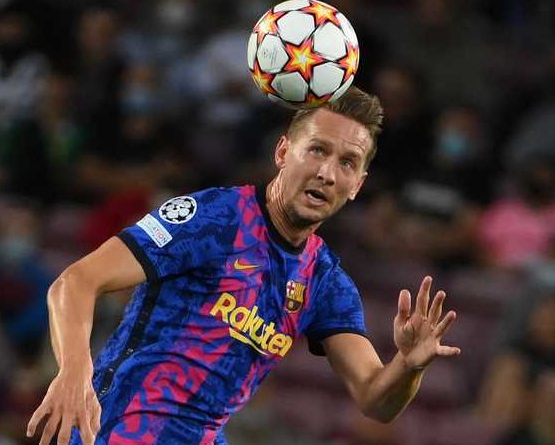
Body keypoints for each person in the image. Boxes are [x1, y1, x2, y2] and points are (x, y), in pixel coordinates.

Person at [26, 87, 461, 445]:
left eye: (346, 163)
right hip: (116, 430)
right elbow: (75, 281)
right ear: (283, 152)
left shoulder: (325, 282)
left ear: (357, 186)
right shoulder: (213, 219)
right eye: (317, 150)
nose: (327, 173)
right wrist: (73, 373)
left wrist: (409, 365)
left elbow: (375, 399)